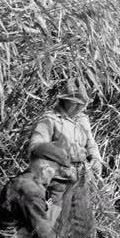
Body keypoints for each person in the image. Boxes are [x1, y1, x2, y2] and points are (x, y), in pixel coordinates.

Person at [29, 79, 103, 228]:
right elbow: (35, 147)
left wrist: (95, 158)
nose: (79, 107)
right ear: (65, 101)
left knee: (80, 218)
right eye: (75, 103)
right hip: (58, 179)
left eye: (82, 103)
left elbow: (91, 143)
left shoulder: (82, 120)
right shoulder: (50, 120)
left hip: (80, 176)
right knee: (54, 218)